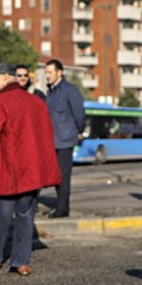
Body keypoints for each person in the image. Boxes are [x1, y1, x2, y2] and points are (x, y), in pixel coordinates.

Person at [0, 63, 61, 275]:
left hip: (6, 169)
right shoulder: (36, 102)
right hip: (32, 170)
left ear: (5, 77)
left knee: (1, 217)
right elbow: (46, 136)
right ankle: (21, 262)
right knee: (25, 216)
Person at [44, 59, 85, 218]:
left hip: (65, 139)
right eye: (46, 72)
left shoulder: (70, 90)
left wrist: (79, 131)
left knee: (62, 176)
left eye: (50, 72)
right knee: (54, 176)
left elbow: (79, 114)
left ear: (59, 73)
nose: (47, 75)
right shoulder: (51, 91)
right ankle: (59, 206)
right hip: (51, 140)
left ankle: (62, 209)